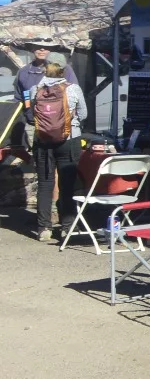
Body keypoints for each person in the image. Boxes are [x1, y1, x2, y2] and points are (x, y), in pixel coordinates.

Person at [23, 56, 87, 243]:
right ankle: (67, 228)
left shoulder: (35, 89)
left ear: (45, 68)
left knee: (45, 184)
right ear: (64, 69)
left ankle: (43, 228)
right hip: (69, 139)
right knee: (67, 185)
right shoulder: (72, 89)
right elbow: (84, 114)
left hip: (42, 141)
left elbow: (31, 115)